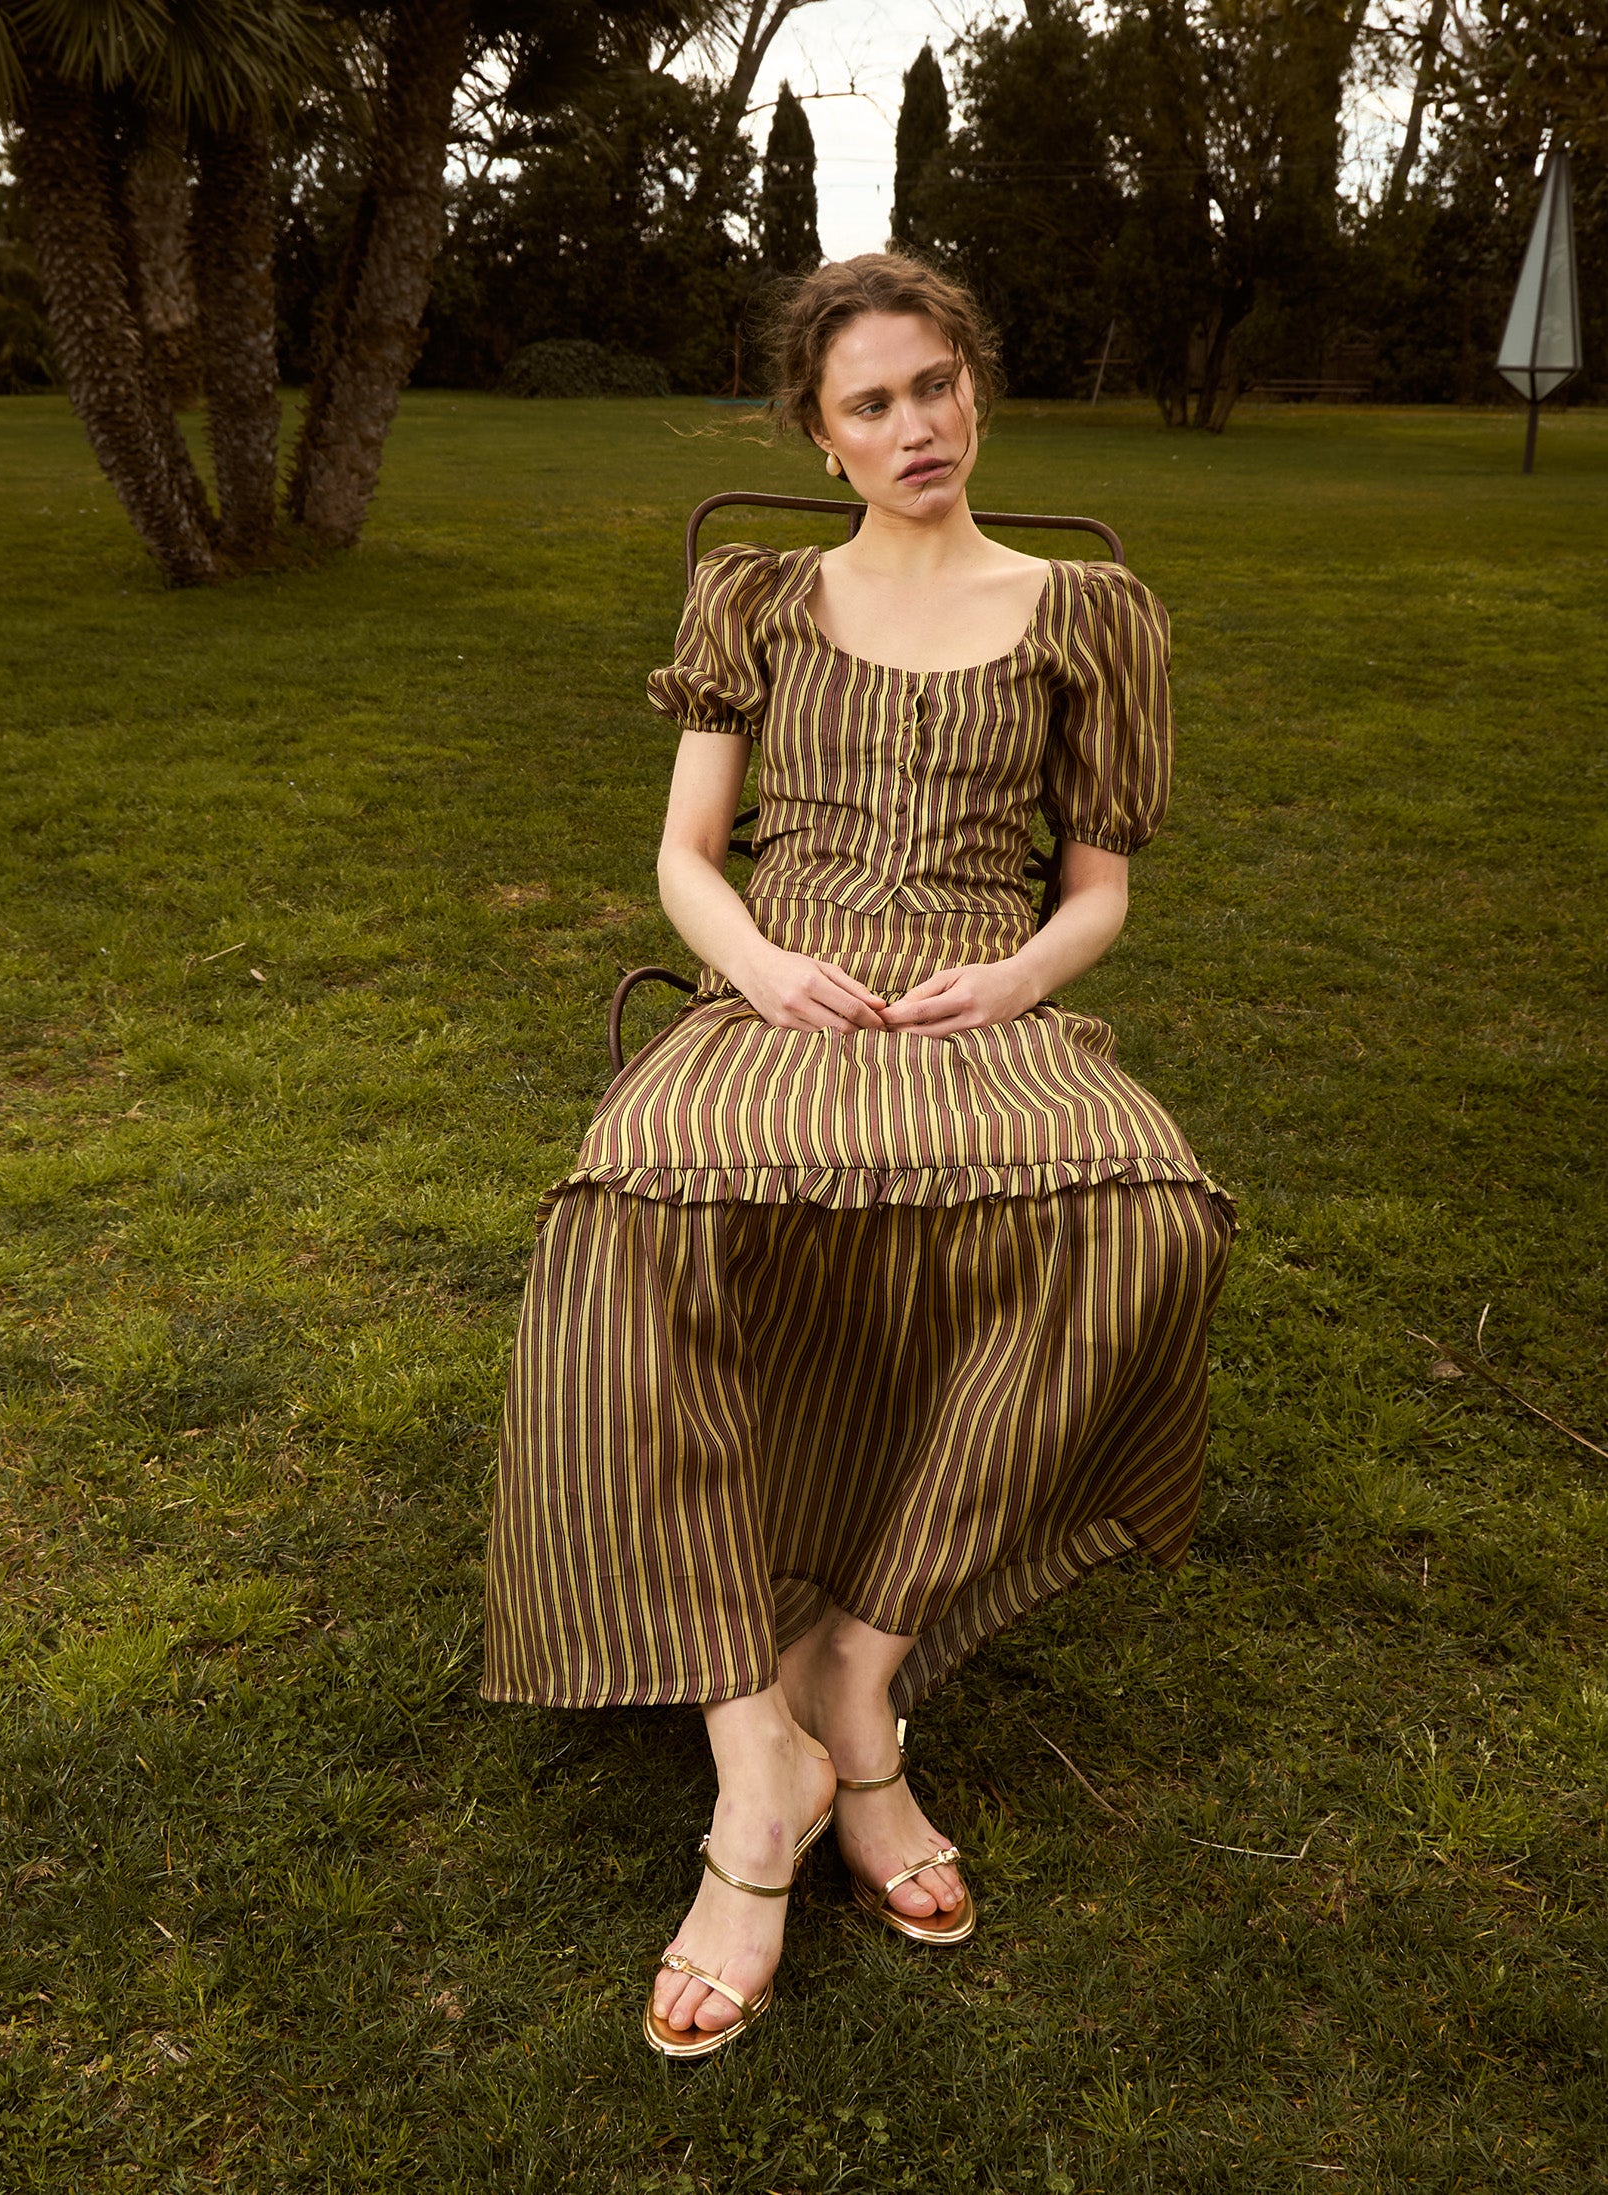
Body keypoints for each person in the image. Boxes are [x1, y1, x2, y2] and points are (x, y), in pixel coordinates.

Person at [481, 253, 1234, 2060]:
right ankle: (760, 1753)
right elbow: (686, 855)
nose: (913, 427)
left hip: (980, 997)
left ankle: (860, 1659)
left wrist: (1015, 980)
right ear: (819, 439)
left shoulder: (1089, 611)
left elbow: (1098, 889)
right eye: (869, 404)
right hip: (781, 985)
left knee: (1148, 1224)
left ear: (978, 389)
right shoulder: (759, 597)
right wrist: (753, 966)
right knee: (630, 1216)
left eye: (934, 387)